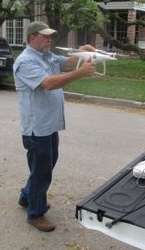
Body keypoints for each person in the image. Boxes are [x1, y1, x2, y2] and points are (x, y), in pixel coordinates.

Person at [13, 21, 97, 232]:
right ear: (33, 37)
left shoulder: (46, 56)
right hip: (37, 128)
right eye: (45, 36)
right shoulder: (25, 62)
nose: (50, 40)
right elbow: (49, 83)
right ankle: (36, 213)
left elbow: (67, 63)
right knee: (42, 171)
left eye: (50, 37)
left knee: (45, 166)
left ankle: (26, 196)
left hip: (49, 126)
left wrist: (82, 53)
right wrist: (80, 73)